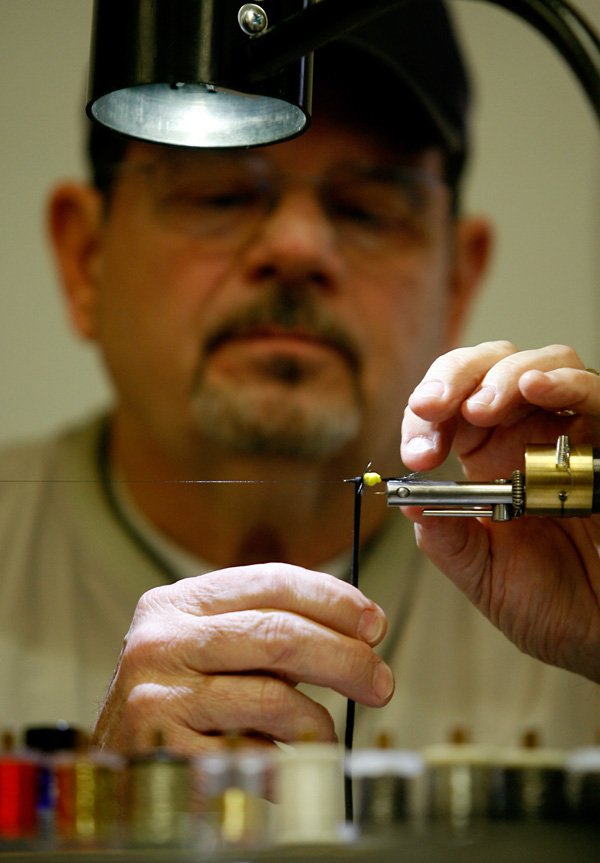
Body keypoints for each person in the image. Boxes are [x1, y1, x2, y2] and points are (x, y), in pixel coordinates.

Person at [1, 0, 599, 756]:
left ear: (457, 282)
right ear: (84, 257)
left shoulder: (578, 585)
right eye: (220, 192)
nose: (297, 245)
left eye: (367, 208)